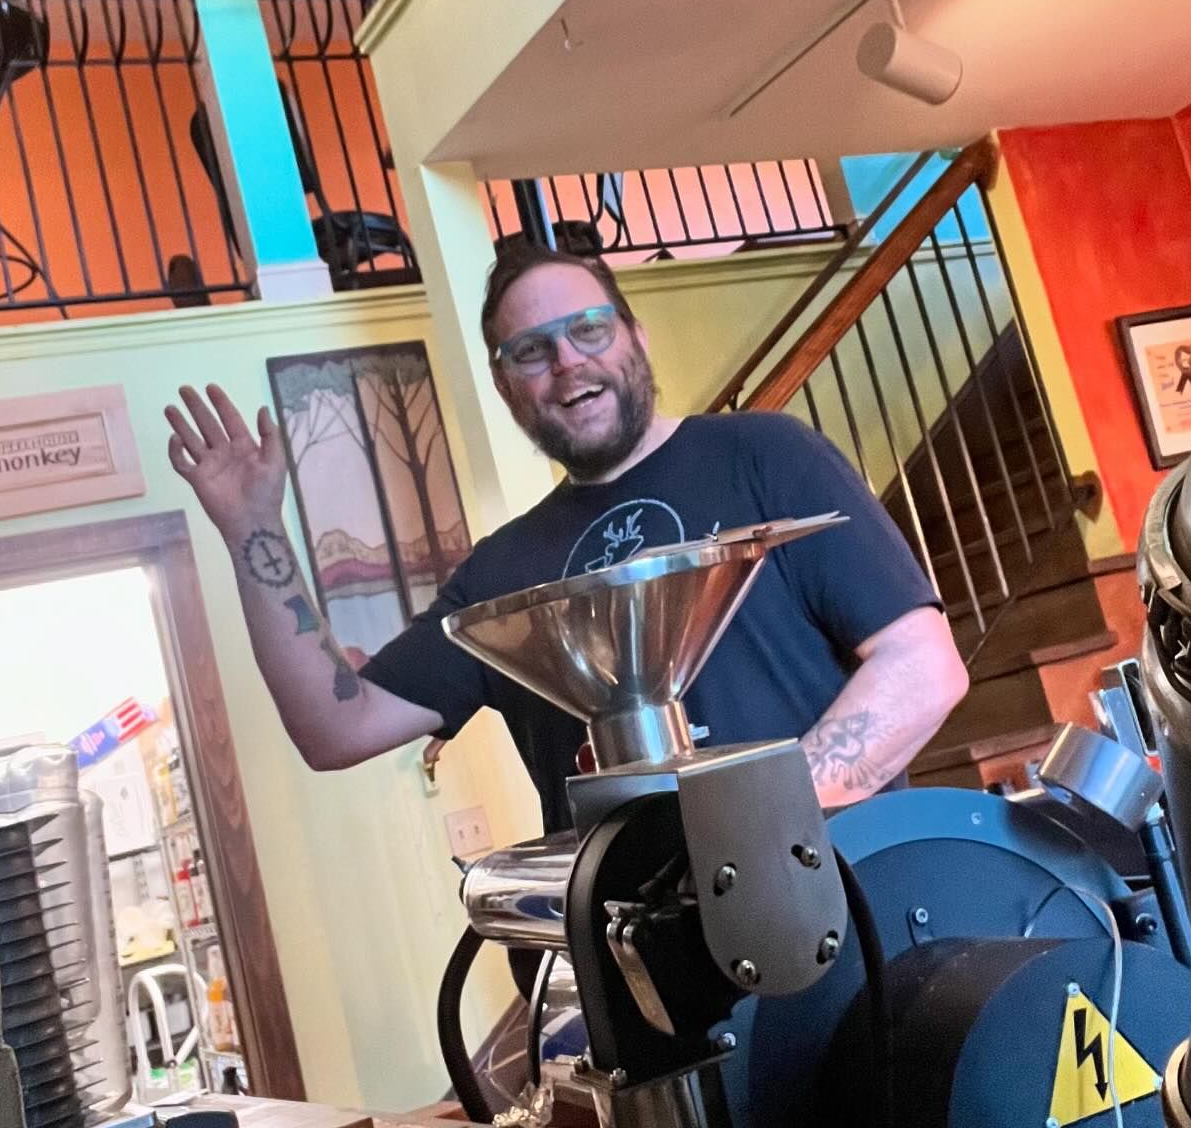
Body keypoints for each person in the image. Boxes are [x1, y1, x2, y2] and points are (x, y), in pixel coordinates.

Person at [164, 244, 968, 833]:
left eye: (589, 330)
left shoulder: (766, 454)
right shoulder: (500, 575)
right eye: (531, 351)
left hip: (849, 915)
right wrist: (252, 530)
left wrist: (765, 824)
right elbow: (337, 727)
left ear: (636, 336)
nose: (567, 363)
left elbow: (923, 666)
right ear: (507, 385)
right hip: (653, 984)